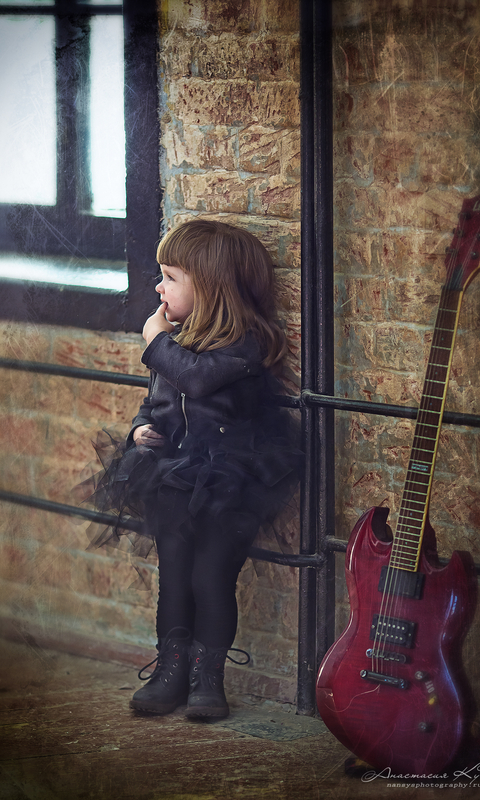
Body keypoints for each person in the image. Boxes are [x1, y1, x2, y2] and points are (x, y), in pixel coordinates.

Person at [83, 219, 301, 721]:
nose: (159, 288)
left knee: (210, 578)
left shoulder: (246, 343)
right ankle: (171, 671)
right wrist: (140, 428)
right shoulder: (177, 340)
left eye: (170, 278)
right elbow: (156, 400)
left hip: (230, 484)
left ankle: (208, 678)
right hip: (172, 478)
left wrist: (156, 341)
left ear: (209, 286)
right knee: (175, 578)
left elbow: (196, 380)